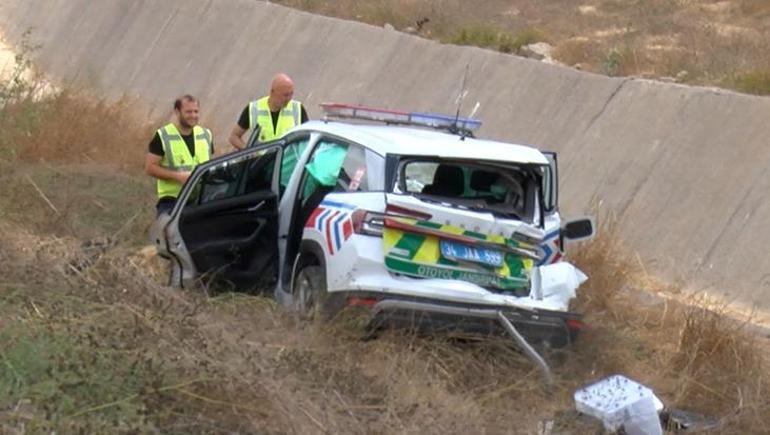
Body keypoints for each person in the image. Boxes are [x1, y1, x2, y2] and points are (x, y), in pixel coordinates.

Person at [144, 95, 214, 216]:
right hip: (172, 200)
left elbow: (210, 164)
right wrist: (177, 176)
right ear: (177, 112)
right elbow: (150, 168)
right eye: (188, 112)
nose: (193, 115)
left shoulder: (206, 134)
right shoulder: (163, 135)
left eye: (196, 111)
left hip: (200, 199)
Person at [229, 73, 308, 150]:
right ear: (272, 92)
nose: (289, 99)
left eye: (291, 94)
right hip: (263, 159)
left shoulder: (297, 109)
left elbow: (309, 136)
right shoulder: (254, 109)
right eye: (285, 95)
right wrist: (249, 152)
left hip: (289, 158)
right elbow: (234, 137)